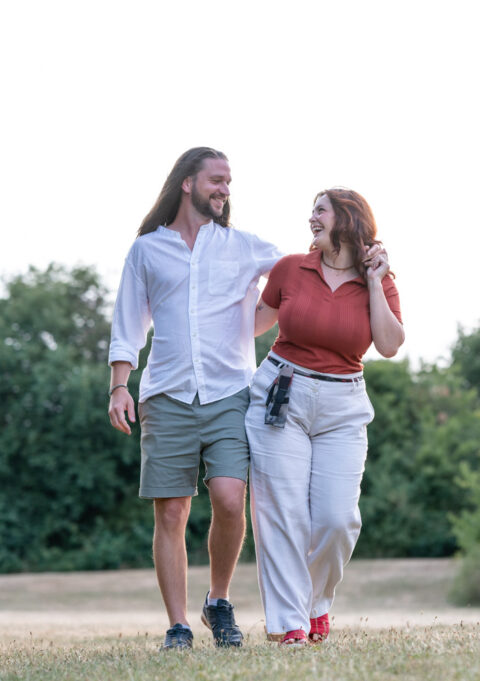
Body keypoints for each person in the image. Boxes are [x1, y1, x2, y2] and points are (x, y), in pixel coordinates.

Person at [107, 147, 282, 650]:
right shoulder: (147, 250)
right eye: (217, 179)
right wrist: (120, 385)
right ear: (187, 183)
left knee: (230, 498)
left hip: (230, 392)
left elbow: (301, 274)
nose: (225, 189)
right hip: (166, 395)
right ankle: (178, 625)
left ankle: (219, 601)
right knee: (171, 512)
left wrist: (257, 324)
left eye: (229, 182)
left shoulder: (244, 247)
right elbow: (128, 323)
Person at [245, 187, 404, 646]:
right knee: (283, 513)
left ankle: (316, 604)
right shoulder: (291, 268)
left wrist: (374, 281)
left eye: (320, 210)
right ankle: (289, 624)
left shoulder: (380, 280)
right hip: (282, 394)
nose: (311, 217)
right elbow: (252, 323)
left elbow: (390, 345)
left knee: (338, 519)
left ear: (348, 219)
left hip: (343, 404)